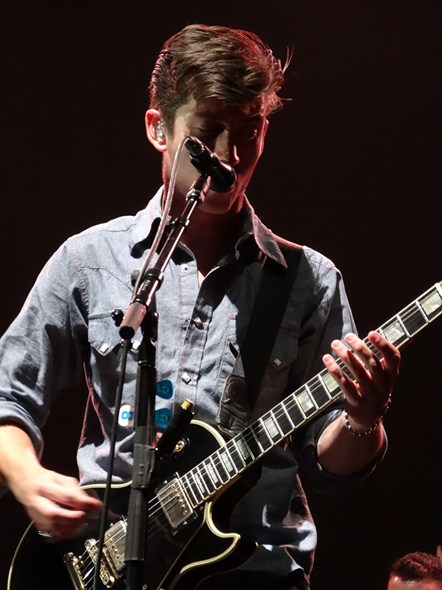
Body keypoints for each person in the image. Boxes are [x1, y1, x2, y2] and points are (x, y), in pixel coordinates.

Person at [0, 24, 401, 590]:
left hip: (254, 575)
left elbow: (331, 467)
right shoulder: (90, 262)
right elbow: (8, 391)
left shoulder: (309, 282)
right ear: (157, 128)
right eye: (207, 133)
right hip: (104, 565)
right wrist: (26, 475)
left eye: (249, 133)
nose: (229, 158)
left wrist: (363, 420)